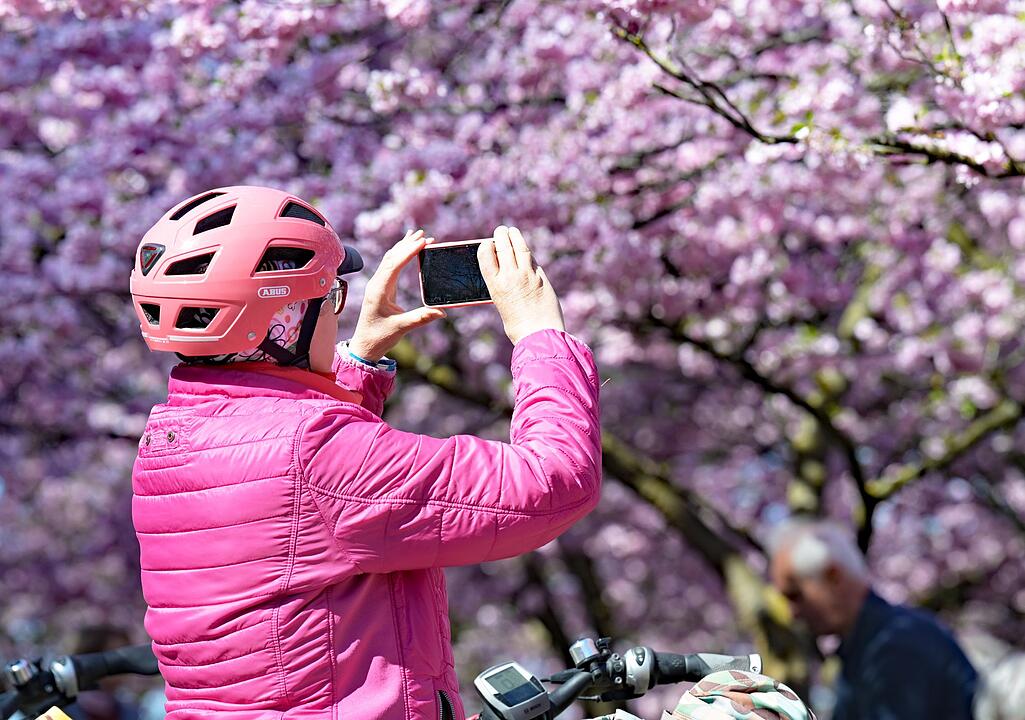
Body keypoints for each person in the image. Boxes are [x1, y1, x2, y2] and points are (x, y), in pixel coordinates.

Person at [128, 185, 602, 719]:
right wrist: (541, 336)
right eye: (331, 296)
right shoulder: (313, 453)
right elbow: (552, 482)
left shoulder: (168, 439)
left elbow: (311, 502)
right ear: (284, 320)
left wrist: (359, 359)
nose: (338, 308)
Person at [768, 520, 977, 720]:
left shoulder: (896, 646)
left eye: (795, 596)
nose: (792, 613)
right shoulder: (873, 644)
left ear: (833, 576)